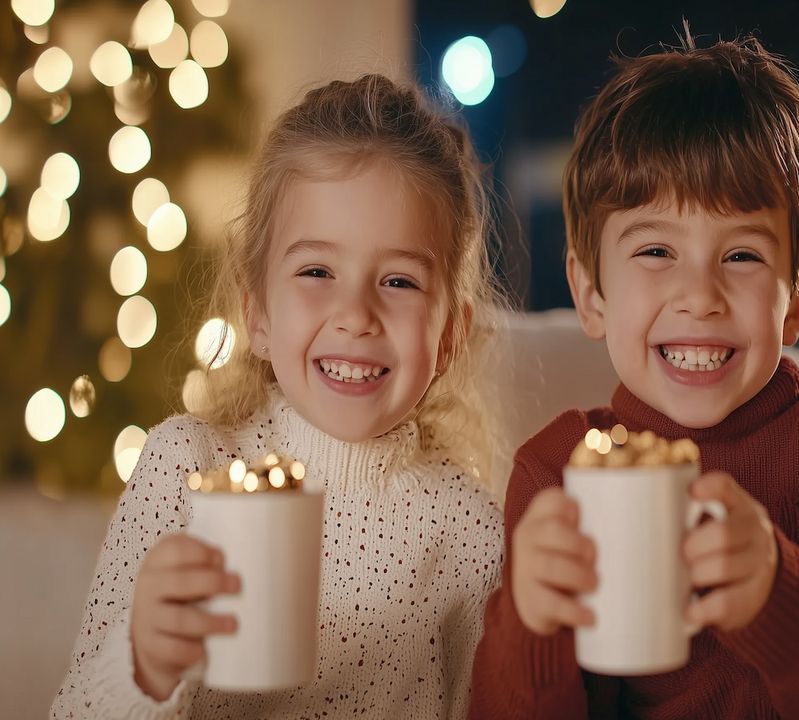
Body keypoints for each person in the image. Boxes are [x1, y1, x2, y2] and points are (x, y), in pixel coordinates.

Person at [470, 31, 799, 719]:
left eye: (741, 256)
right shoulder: (556, 474)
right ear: (590, 294)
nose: (700, 296)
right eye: (656, 250)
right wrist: (530, 626)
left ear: (796, 300)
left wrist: (784, 607)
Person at [52, 74, 507, 719]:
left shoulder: (468, 529)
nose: (356, 315)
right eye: (317, 271)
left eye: (400, 281)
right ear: (258, 313)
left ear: (451, 336)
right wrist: (143, 666)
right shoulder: (183, 467)